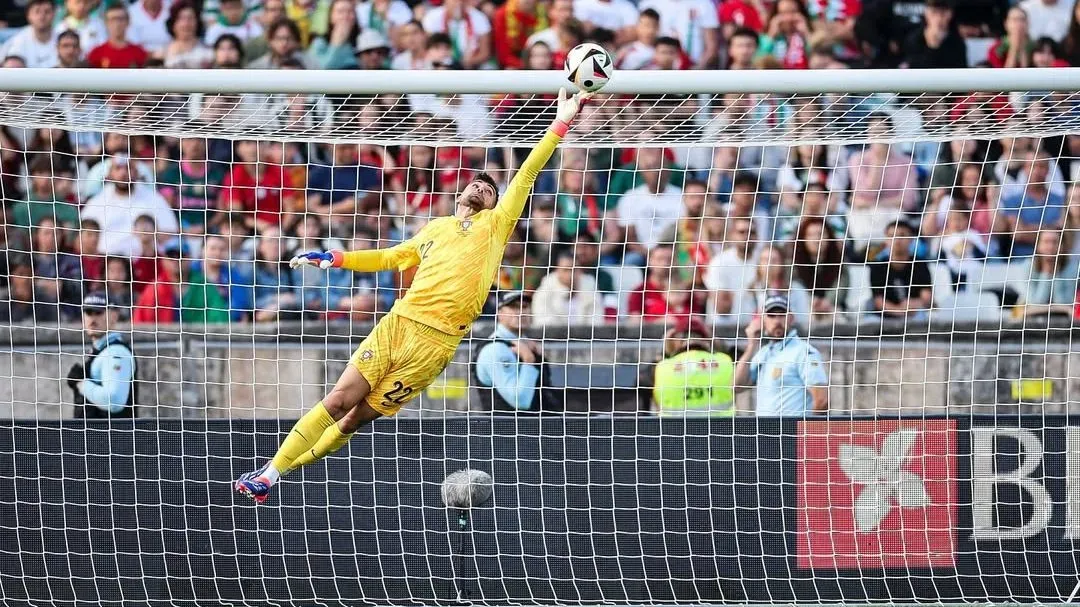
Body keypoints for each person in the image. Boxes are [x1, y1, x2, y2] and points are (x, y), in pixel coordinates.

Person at [234, 87, 592, 503]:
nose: (480, 189)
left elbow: (528, 170)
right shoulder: (434, 229)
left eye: (488, 190)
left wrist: (561, 120)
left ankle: (280, 470)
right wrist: (336, 257)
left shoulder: (496, 226)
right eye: (475, 185)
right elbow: (389, 256)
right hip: (399, 325)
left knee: (352, 421)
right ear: (460, 194)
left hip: (437, 344)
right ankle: (271, 473)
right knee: (338, 400)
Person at [733, 295, 829, 416]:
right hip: (764, 433)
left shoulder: (804, 352)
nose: (777, 321)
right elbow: (737, 386)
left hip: (791, 433)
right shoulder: (764, 353)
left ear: (791, 318)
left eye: (782, 315)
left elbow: (821, 401)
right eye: (771, 316)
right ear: (762, 320)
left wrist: (805, 432)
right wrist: (751, 345)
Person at [472, 291, 559, 414]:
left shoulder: (529, 346)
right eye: (514, 307)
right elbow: (520, 401)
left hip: (539, 429)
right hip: (506, 431)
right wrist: (529, 361)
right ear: (500, 314)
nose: (521, 312)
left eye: (525, 307)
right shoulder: (495, 349)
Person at [641, 316, 735, 416]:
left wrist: (664, 352)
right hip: (721, 429)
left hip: (672, 430)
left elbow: (640, 382)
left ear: (675, 340)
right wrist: (718, 343)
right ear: (708, 340)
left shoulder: (661, 367)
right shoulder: (726, 361)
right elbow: (744, 361)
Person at [65, 292, 138, 419]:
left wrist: (81, 383)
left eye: (99, 313)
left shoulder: (115, 352)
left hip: (112, 437)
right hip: (97, 436)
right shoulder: (101, 350)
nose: (93, 319)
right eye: (88, 312)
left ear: (114, 316)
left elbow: (115, 400)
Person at [87, 3, 150, 68]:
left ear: (128, 22)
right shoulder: (96, 54)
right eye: (113, 19)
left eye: (121, 19)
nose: (117, 24)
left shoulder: (139, 53)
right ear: (106, 23)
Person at [1, 0, 58, 68]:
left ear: (54, 14)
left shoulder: (64, 38)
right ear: (28, 15)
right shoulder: (18, 40)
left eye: (47, 11)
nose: (42, 16)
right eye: (37, 11)